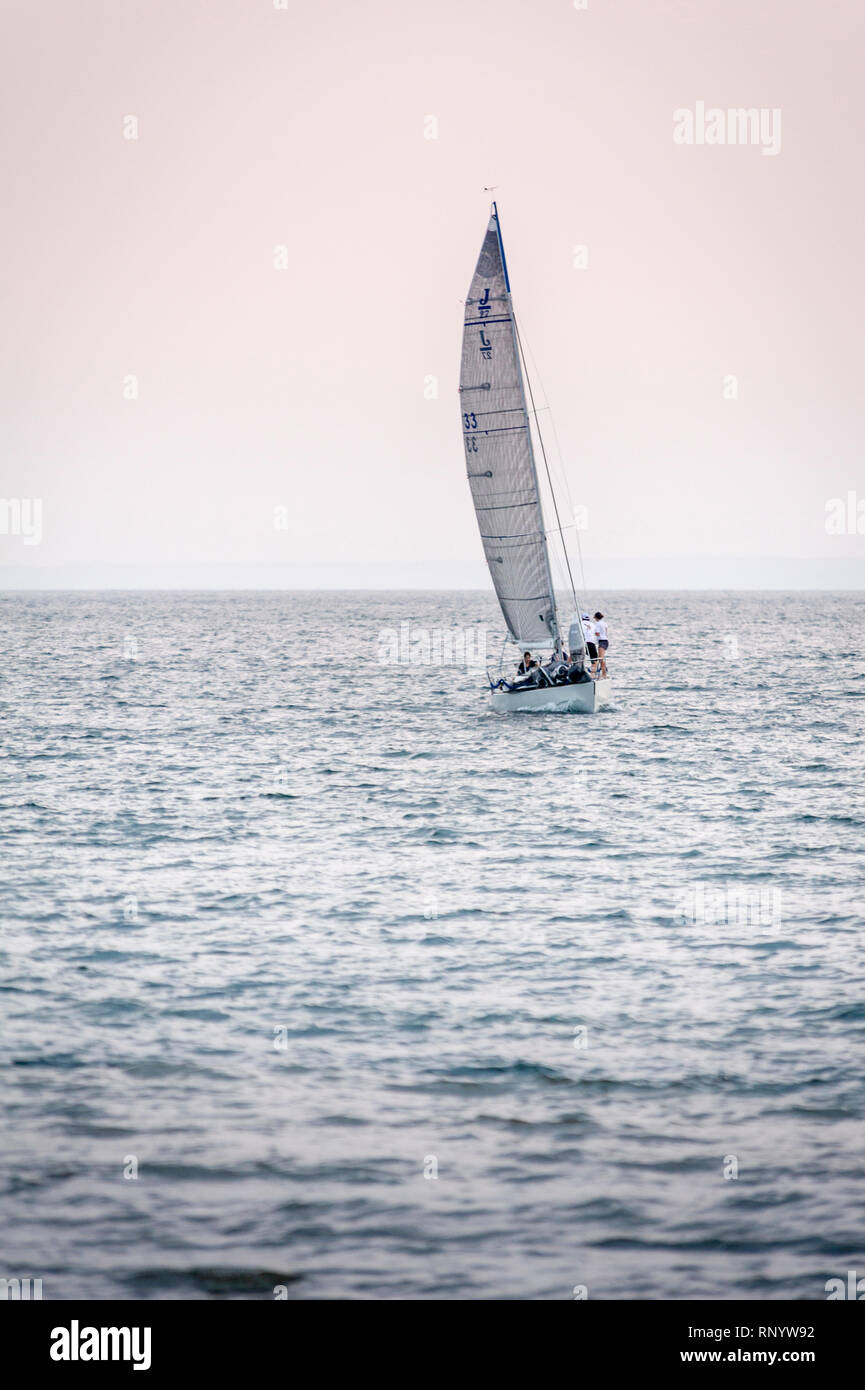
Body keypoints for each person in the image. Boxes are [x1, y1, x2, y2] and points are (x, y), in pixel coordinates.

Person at [593, 611, 609, 677]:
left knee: (600, 658)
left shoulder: (598, 624)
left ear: (596, 618)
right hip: (605, 641)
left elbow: (597, 633)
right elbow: (605, 631)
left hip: (602, 641)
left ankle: (604, 673)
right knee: (601, 658)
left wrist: (591, 634)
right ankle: (603, 671)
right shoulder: (604, 623)